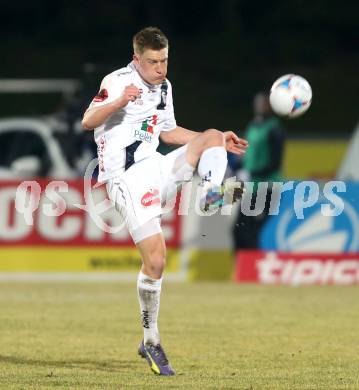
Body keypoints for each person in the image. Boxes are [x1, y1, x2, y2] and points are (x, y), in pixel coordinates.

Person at [82, 26, 248, 376]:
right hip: (124, 177)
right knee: (156, 262)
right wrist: (119, 101)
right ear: (136, 59)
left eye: (165, 60)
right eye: (153, 62)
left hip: (156, 167)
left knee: (214, 136)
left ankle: (210, 196)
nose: (161, 68)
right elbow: (87, 121)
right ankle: (151, 339)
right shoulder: (117, 81)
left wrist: (210, 139)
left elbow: (167, 132)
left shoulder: (165, 87)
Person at [232, 92, 285, 250]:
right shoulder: (253, 126)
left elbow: (275, 163)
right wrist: (240, 169)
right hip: (252, 186)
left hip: (267, 187)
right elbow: (247, 155)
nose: (260, 106)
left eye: (264, 103)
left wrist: (251, 173)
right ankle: (243, 268)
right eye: (259, 103)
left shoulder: (275, 129)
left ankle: (251, 267)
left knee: (249, 229)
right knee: (240, 229)